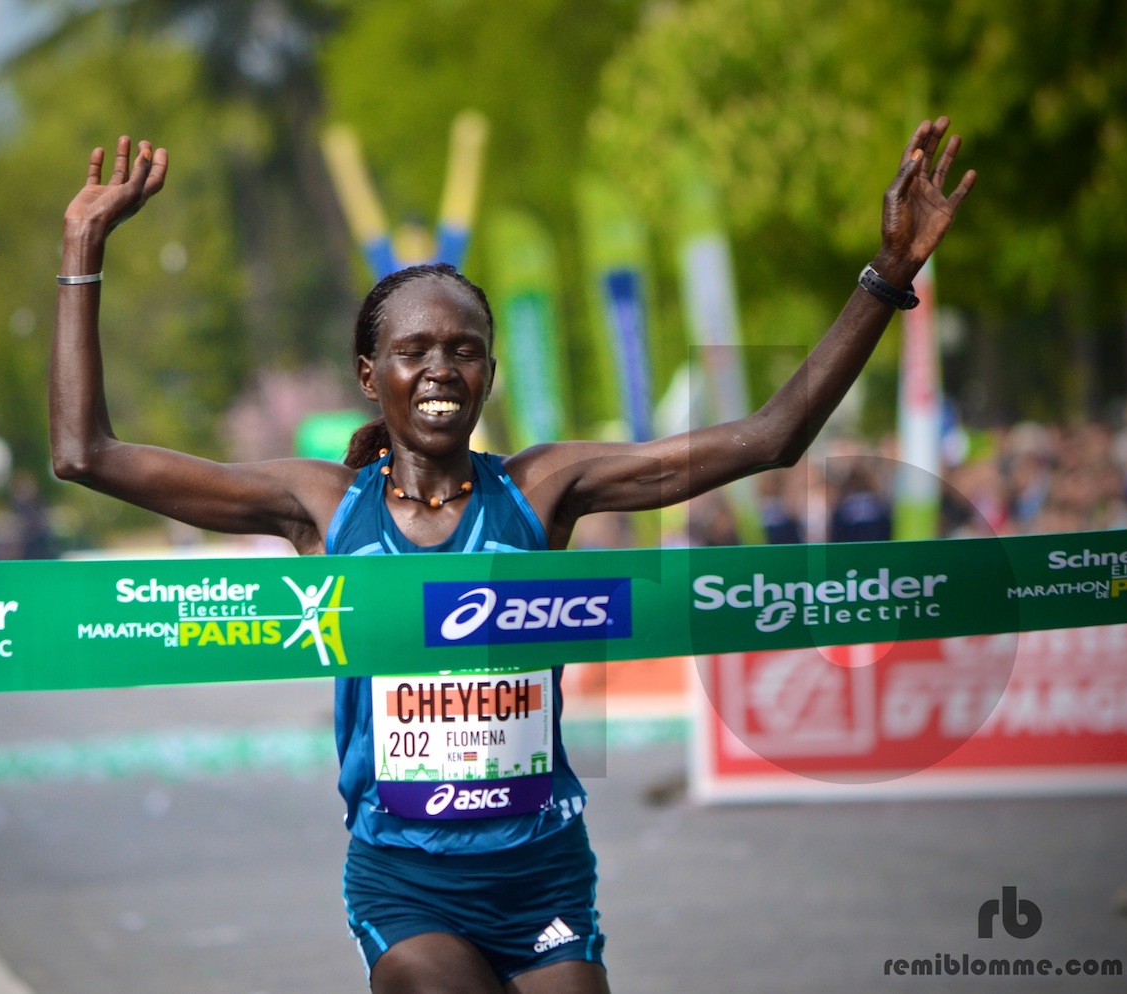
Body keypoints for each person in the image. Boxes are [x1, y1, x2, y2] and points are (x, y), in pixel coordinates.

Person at [50, 119, 974, 993]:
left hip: (541, 876)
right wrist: (83, 248)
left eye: (466, 350)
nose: (441, 369)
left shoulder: (542, 489)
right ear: (370, 376)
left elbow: (770, 437)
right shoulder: (324, 507)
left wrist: (888, 275)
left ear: (489, 374)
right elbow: (85, 454)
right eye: (414, 351)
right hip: (406, 879)